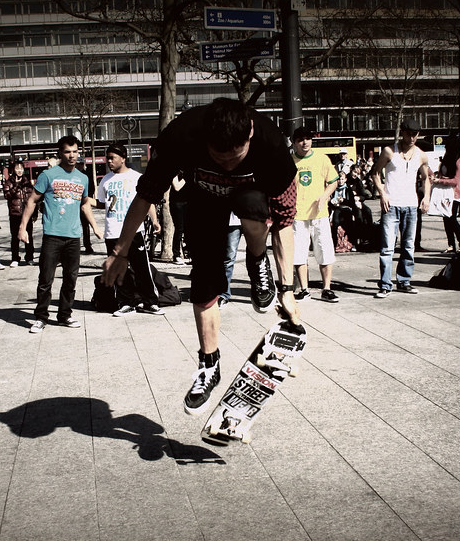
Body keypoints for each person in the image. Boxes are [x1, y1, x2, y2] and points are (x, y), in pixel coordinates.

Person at [101, 98, 300, 415]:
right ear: (205, 140)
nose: (227, 166)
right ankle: (209, 365)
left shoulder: (271, 144)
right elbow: (145, 196)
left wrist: (287, 289)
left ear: (249, 135)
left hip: (254, 202)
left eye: (235, 159)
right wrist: (120, 251)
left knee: (251, 204)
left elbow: (286, 221)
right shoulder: (180, 136)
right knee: (204, 282)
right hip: (204, 202)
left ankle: (256, 260)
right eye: (219, 159)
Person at [19, 135, 102, 332]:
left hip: (74, 237)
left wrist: (95, 227)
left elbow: (84, 204)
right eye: (67, 152)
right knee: (45, 279)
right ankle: (41, 317)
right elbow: (32, 201)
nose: (72, 155)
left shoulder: (83, 178)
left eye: (75, 151)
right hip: (52, 236)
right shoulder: (48, 175)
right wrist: (22, 228)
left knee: (70, 279)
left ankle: (65, 315)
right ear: (60, 153)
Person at [96, 142, 164, 316]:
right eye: (107, 158)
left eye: (112, 158)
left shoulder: (135, 177)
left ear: (123, 158)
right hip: (113, 231)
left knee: (142, 267)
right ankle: (126, 302)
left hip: (134, 231)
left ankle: (150, 302)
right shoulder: (105, 180)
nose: (109, 161)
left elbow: (145, 201)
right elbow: (102, 204)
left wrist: (154, 220)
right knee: (120, 271)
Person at [369, 118, 430, 297]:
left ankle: (404, 281)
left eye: (415, 135)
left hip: (410, 205)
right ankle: (385, 284)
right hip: (392, 204)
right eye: (408, 134)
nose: (411, 138)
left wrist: (426, 197)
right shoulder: (390, 152)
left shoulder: (421, 155)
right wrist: (382, 193)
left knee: (408, 245)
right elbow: (375, 173)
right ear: (402, 132)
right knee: (387, 247)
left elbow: (426, 178)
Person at [290, 127, 340, 302]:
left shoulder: (322, 159)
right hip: (297, 215)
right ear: (294, 142)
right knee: (299, 253)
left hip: (319, 215)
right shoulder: (289, 161)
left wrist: (324, 196)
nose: (305, 143)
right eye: (301, 140)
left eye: (308, 139)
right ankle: (304, 289)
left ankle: (327, 288)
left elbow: (333, 182)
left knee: (324, 250)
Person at [432, 134, 460, 253]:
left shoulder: (459, 160)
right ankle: (451, 244)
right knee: (446, 219)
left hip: (455, 193)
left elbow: (456, 180)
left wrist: (441, 180)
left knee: (452, 218)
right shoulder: (448, 157)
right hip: (445, 191)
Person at [3, 161, 35, 267]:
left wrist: (34, 213)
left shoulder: (27, 182)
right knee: (15, 237)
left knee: (28, 236)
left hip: (26, 213)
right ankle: (15, 258)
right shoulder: (9, 182)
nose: (19, 170)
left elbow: (32, 198)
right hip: (15, 214)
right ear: (13, 170)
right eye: (17, 168)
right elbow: (7, 195)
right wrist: (16, 186)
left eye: (21, 168)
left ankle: (29, 257)